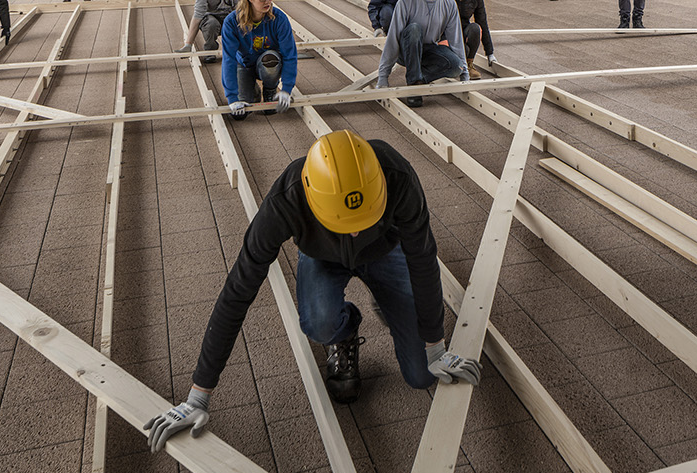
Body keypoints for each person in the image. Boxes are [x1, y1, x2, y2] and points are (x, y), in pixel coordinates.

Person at [143, 129, 480, 447]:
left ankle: (386, 298)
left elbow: (422, 260)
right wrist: (198, 396)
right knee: (319, 320)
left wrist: (436, 347)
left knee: (423, 374)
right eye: (343, 225)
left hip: (384, 251)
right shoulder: (285, 201)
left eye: (361, 222)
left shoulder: (398, 177)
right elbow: (238, 290)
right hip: (322, 257)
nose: (353, 234)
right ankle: (344, 331)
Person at [376, 0, 467, 107]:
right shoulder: (406, 1)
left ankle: (417, 77)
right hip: (406, 50)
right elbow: (392, 41)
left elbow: (456, 40)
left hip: (429, 49)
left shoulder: (449, 4)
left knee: (455, 66)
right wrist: (383, 77)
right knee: (414, 29)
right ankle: (414, 86)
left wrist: (464, 74)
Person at [220, 0, 298, 116]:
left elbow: (290, 55)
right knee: (241, 113)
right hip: (243, 64)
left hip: (267, 62)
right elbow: (228, 59)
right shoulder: (231, 23)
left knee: (271, 58)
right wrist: (232, 98)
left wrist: (287, 89)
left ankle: (269, 90)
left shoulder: (279, 19)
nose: (268, 1)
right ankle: (252, 90)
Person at [442, 0, 497, 76]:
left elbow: (483, 23)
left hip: (464, 32)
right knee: (463, 50)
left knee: (475, 28)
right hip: (446, 35)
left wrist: (490, 53)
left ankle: (469, 64)